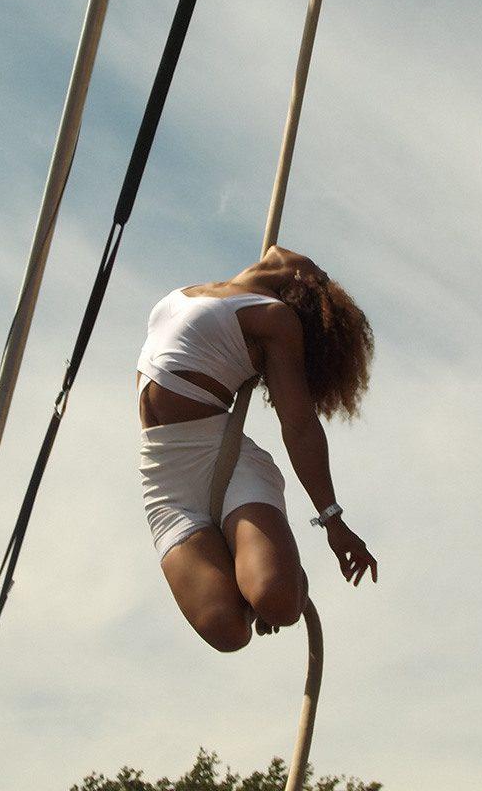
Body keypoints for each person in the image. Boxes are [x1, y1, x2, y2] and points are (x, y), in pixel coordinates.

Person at [136, 244, 378, 652]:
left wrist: (333, 520)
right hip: (165, 476)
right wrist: (315, 279)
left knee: (278, 605)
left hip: (227, 461)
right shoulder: (221, 286)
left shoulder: (276, 321)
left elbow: (299, 427)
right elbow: (283, 256)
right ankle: (251, 559)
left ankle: (278, 575)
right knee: (227, 632)